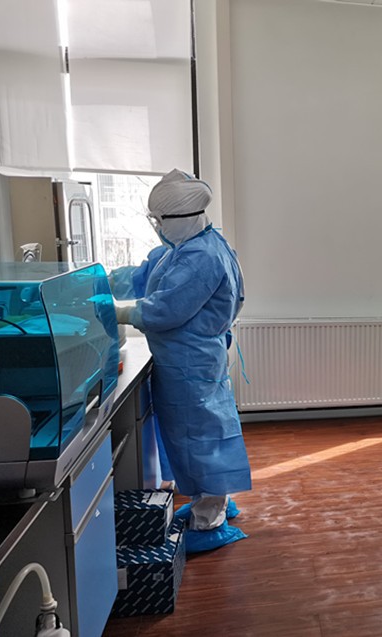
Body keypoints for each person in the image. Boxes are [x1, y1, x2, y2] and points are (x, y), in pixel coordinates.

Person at [111, 169, 250, 553]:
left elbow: (165, 309)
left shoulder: (201, 257)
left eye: (159, 221)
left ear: (179, 218)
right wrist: (104, 280)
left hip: (190, 363)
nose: (157, 228)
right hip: (190, 360)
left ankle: (209, 519)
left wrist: (119, 311)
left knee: (200, 440)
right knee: (197, 437)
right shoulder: (194, 245)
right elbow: (148, 274)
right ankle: (210, 499)